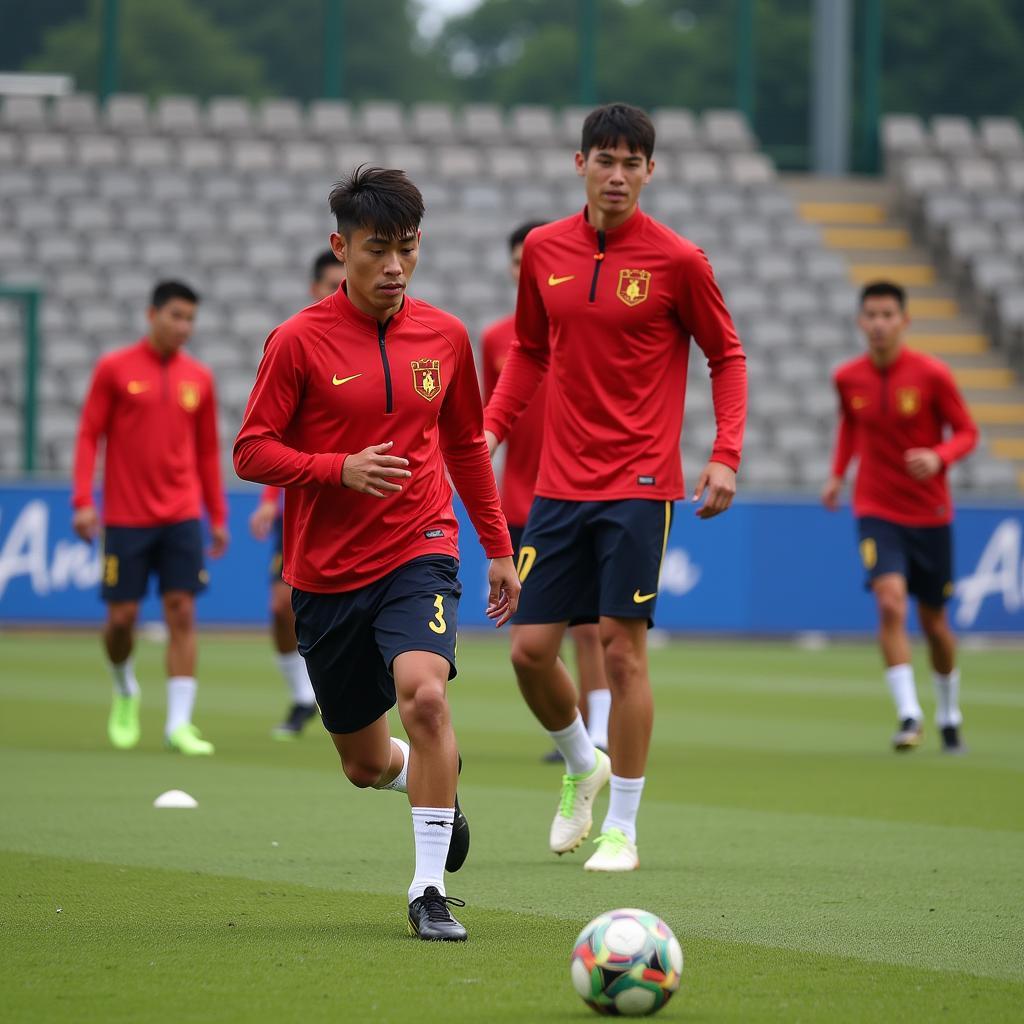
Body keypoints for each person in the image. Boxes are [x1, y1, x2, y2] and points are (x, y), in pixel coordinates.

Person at [234, 166, 520, 941]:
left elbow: (464, 443)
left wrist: (496, 546)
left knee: (427, 696)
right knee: (363, 763)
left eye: (407, 249)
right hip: (325, 578)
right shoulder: (297, 342)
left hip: (420, 549)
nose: (394, 267)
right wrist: (338, 469)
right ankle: (432, 790)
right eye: (376, 251)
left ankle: (428, 890)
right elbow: (251, 452)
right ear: (341, 247)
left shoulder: (446, 336)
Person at [484, 103, 747, 872]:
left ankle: (623, 827)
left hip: (640, 485)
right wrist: (493, 428)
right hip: (558, 487)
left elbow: (726, 357)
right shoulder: (543, 249)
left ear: (650, 173)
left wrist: (725, 451)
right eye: (606, 159)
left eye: (634, 162)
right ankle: (581, 764)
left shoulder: (679, 261)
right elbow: (529, 351)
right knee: (530, 655)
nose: (619, 174)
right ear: (581, 164)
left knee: (621, 654)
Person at [71, 280, 229, 756]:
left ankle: (179, 724)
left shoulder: (199, 377)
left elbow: (206, 451)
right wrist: (82, 501)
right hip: (125, 517)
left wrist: (216, 514)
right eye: (176, 316)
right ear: (152, 314)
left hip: (181, 515)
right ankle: (125, 688)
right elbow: (87, 436)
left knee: (182, 612)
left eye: (190, 319)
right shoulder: (114, 369)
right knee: (121, 619)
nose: (184, 326)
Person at [822, 280, 978, 753]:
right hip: (876, 508)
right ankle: (909, 714)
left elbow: (967, 431)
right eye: (871, 315)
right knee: (890, 601)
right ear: (859, 322)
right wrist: (837, 474)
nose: (879, 324)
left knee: (935, 624)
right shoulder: (848, 377)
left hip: (929, 513)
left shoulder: (932, 375)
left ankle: (949, 713)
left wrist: (939, 455)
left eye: (888, 315)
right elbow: (851, 424)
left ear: (904, 321)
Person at [481, 220, 612, 762]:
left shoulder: (583, 327)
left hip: (580, 494)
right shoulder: (494, 339)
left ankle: (597, 734)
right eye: (516, 263)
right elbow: (496, 412)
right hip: (520, 502)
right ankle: (575, 734)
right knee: (530, 640)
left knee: (589, 628)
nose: (524, 270)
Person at [249, 249, 345, 739]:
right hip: (303, 506)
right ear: (315, 288)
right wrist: (269, 502)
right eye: (330, 284)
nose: (339, 290)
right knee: (280, 607)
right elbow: (271, 440)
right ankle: (301, 695)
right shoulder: (298, 343)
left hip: (363, 511)